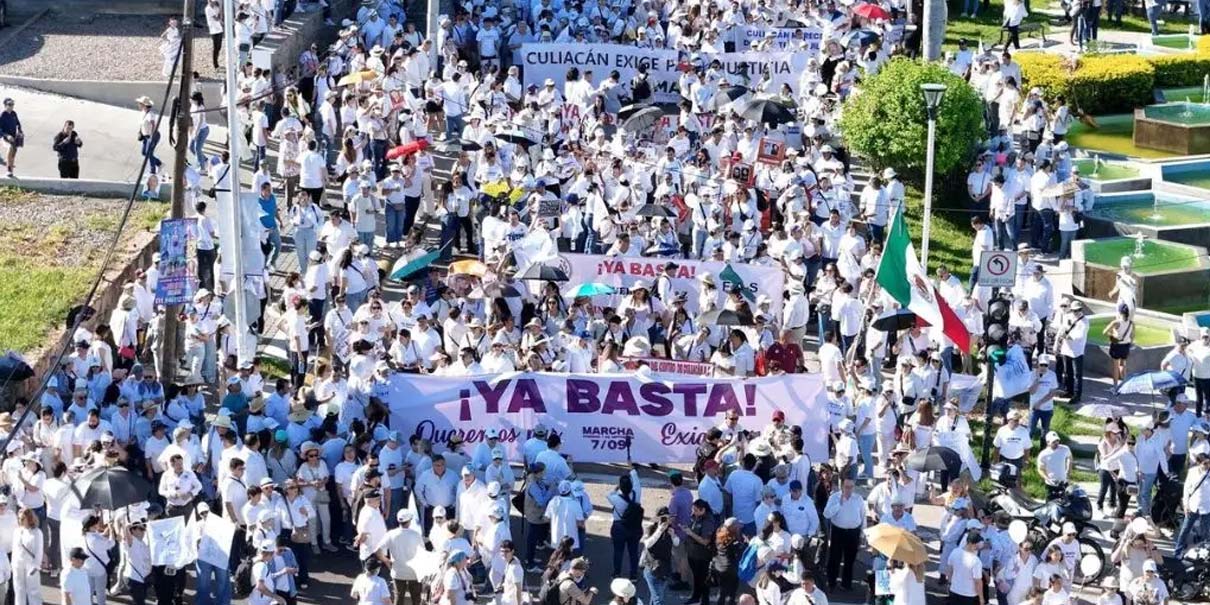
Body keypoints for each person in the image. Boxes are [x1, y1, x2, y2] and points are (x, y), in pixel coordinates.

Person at [0, 97, 23, 178]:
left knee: (13, 152)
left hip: (13, 137)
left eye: (12, 104)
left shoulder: (14, 113)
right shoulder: (2, 115)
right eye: (9, 104)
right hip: (5, 137)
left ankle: (11, 171)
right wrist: (7, 135)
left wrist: (20, 131)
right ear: (5, 105)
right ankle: (8, 169)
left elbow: (18, 123)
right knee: (10, 148)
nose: (11, 106)